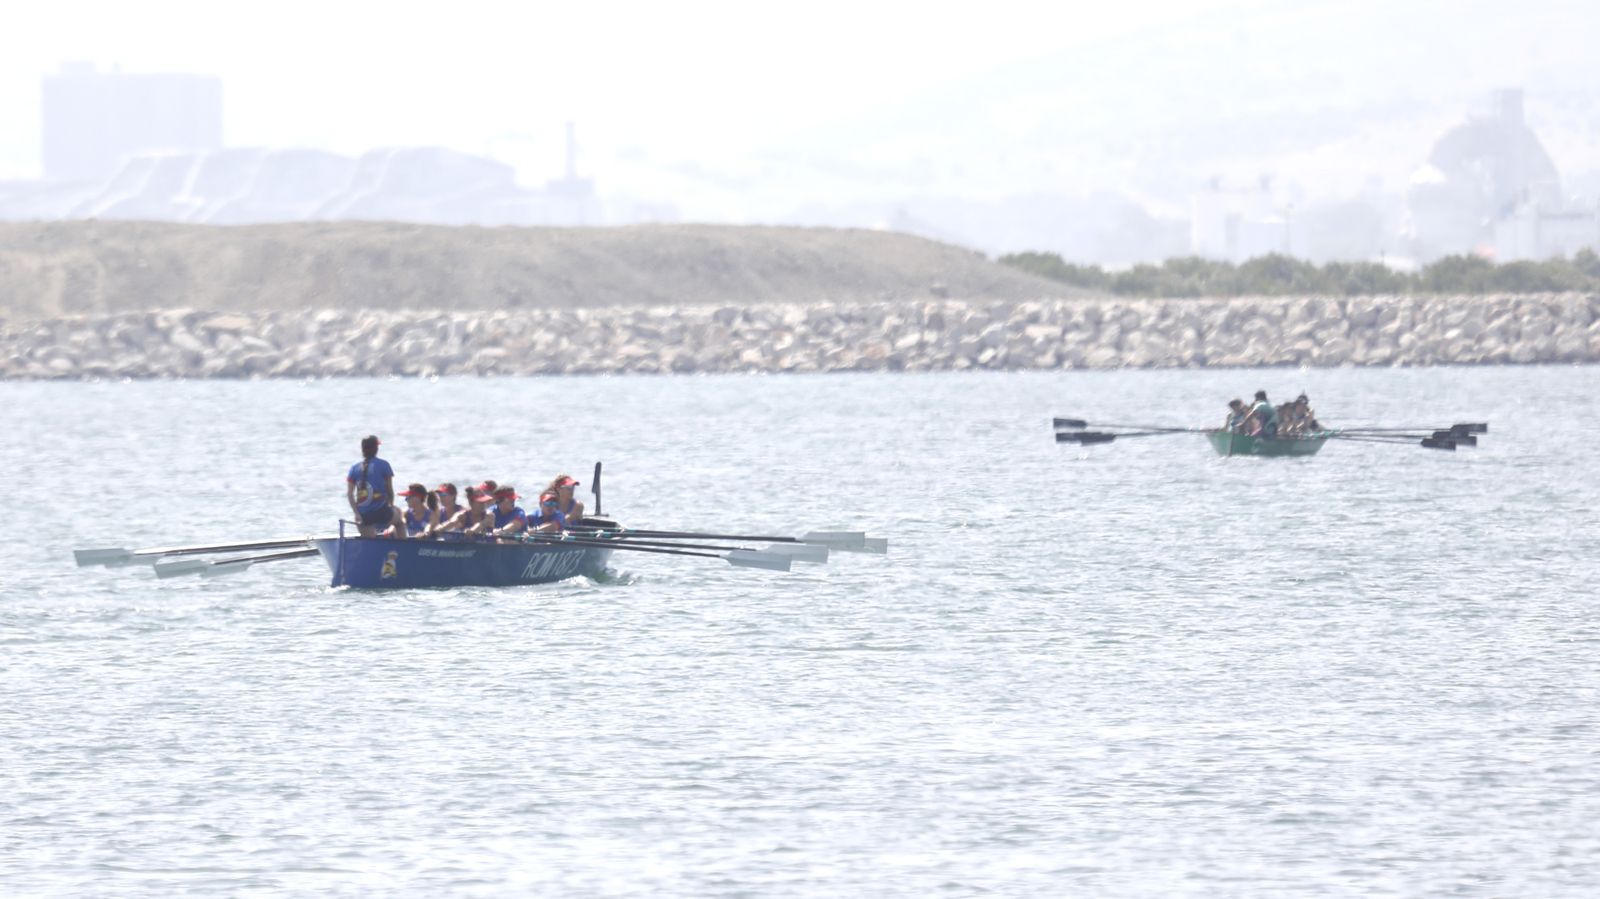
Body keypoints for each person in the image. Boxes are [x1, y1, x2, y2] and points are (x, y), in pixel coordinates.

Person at [347, 435, 398, 538]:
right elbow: (390, 490)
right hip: (382, 512)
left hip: (363, 515)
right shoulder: (384, 465)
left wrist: (356, 513)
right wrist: (391, 505)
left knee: (371, 541)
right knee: (400, 521)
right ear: (376, 449)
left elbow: (349, 494)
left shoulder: (354, 468)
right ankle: (404, 548)